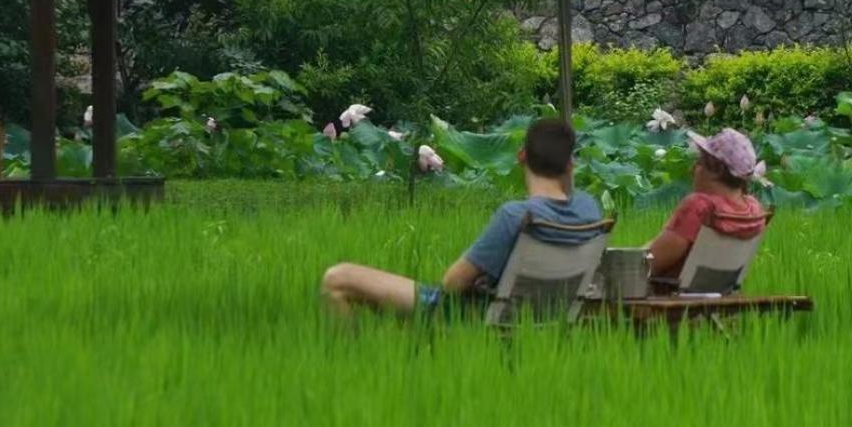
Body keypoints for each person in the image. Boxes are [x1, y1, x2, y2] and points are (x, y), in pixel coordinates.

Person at [319, 118, 605, 317]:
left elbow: (452, 284)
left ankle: (351, 362)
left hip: (479, 314)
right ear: (570, 165)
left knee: (338, 278)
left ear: (521, 157)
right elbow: (569, 195)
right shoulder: (589, 209)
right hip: (551, 314)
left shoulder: (515, 215)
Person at [647, 127, 770, 282]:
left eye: (699, 163)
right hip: (720, 295)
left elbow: (652, 262)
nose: (692, 170)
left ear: (717, 169)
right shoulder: (754, 208)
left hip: (670, 296)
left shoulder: (699, 206)